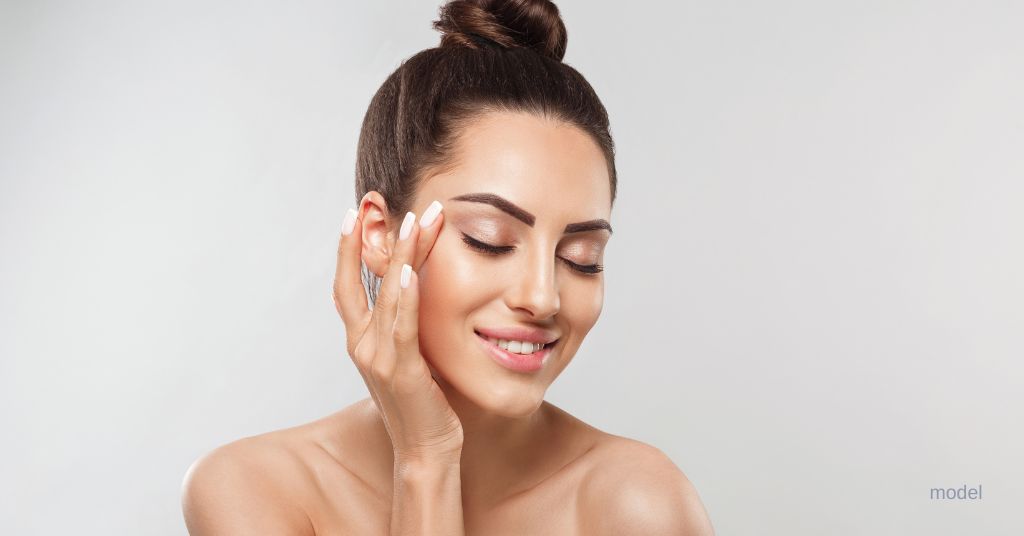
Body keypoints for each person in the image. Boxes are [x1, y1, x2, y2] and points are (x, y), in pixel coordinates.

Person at [181, 1, 715, 534]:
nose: (543, 297)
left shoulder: (637, 503)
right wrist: (426, 459)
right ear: (380, 236)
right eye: (491, 241)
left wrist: (423, 459)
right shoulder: (254, 489)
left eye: (582, 259)